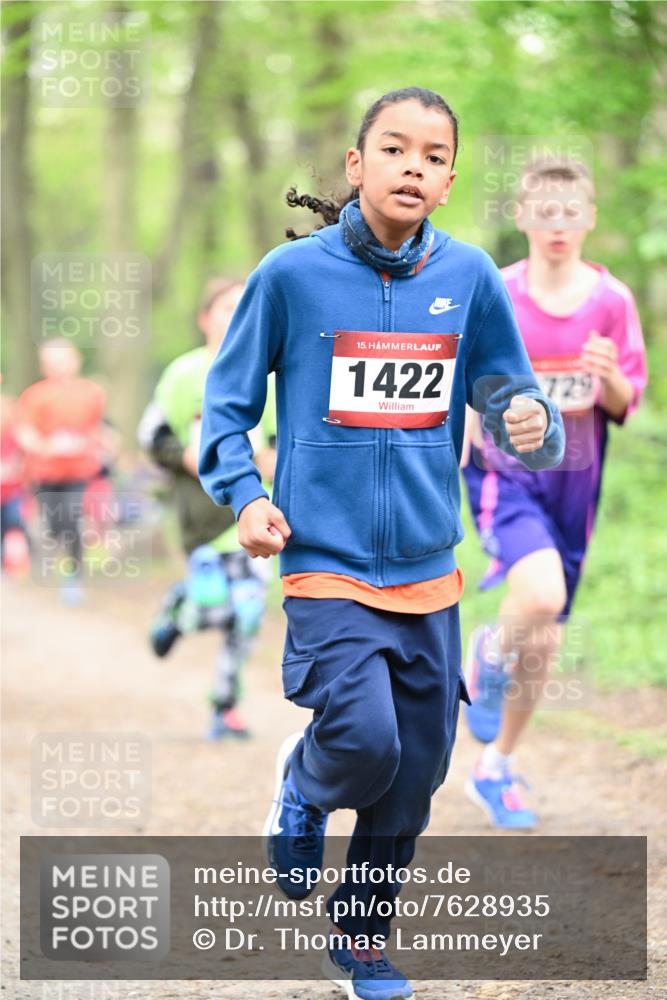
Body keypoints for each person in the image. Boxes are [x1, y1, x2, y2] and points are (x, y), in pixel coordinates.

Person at [199, 88, 565, 1000]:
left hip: (428, 569)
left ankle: (359, 937)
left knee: (416, 775)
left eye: (434, 156)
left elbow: (511, 396)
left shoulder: (470, 276)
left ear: (448, 180)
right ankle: (303, 784)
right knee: (364, 744)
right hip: (323, 561)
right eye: (395, 149)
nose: (413, 166)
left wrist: (531, 418)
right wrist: (246, 496)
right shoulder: (291, 277)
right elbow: (226, 407)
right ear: (356, 165)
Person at [460, 157, 647, 830]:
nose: (558, 224)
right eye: (544, 211)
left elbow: (625, 400)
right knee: (539, 596)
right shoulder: (499, 293)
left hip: (576, 482)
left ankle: (495, 766)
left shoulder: (611, 301)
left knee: (541, 641)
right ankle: (486, 650)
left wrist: (608, 377)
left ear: (589, 218)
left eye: (570, 211)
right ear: (522, 218)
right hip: (506, 474)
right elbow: (465, 378)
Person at [139, 277, 277, 740]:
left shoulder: (268, 373)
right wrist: (185, 456)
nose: (237, 315)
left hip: (253, 512)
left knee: (250, 611)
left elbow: (277, 439)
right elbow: (152, 435)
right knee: (214, 606)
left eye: (244, 307)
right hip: (201, 517)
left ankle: (224, 705)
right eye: (226, 307)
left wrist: (272, 459)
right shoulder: (184, 373)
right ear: (204, 319)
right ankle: (181, 611)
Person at [13, 339, 109, 604]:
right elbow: (25, 431)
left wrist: (101, 442)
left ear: (76, 360)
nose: (59, 367)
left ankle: (73, 576)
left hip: (79, 471)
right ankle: (61, 559)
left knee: (71, 519)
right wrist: (44, 446)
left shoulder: (91, 393)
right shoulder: (35, 396)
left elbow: (96, 427)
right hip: (45, 473)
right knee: (54, 525)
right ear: (44, 366)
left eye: (63, 360)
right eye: (52, 362)